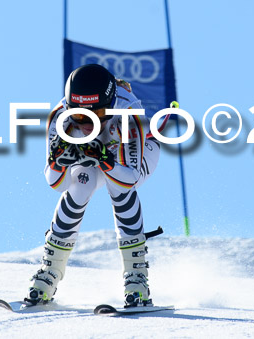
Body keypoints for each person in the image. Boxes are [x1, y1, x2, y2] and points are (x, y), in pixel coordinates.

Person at [25, 63, 161, 307]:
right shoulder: (60, 118)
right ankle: (49, 272)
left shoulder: (127, 112)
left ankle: (137, 277)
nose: (88, 124)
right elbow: (55, 183)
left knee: (118, 187)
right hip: (96, 153)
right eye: (80, 115)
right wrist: (57, 162)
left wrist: (105, 161)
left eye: (96, 114)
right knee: (80, 185)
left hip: (134, 152)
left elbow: (130, 178)